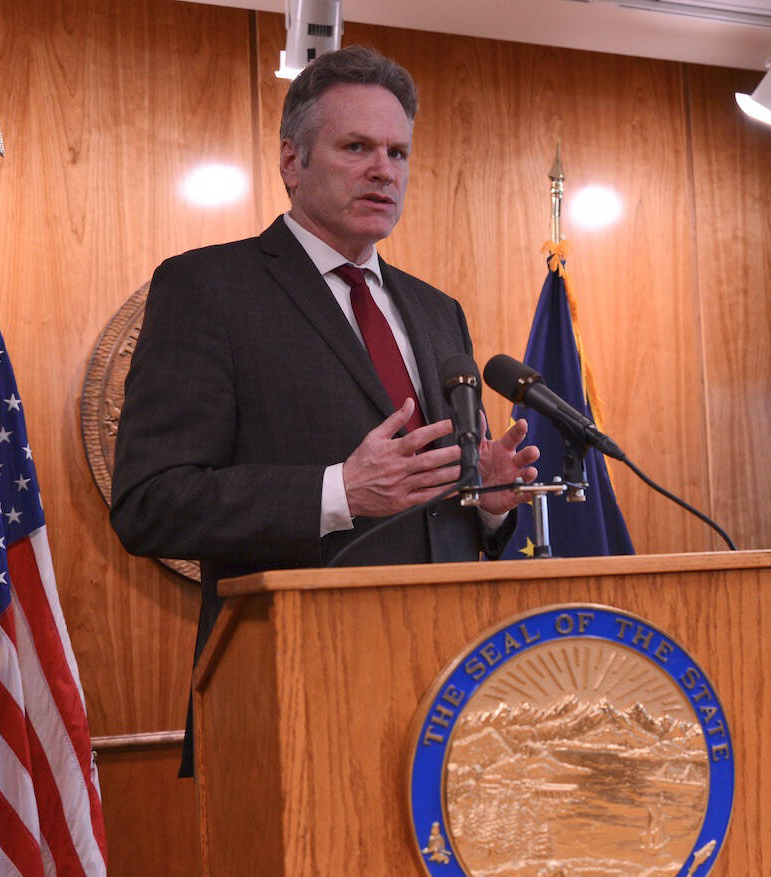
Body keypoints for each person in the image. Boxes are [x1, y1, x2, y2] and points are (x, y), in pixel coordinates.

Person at [110, 46, 538, 771]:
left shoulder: (438, 312)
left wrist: (488, 502)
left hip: (449, 701)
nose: (384, 171)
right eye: (356, 147)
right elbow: (150, 503)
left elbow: (436, 517)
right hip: (291, 700)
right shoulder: (207, 289)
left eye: (398, 153)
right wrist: (340, 491)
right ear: (292, 161)